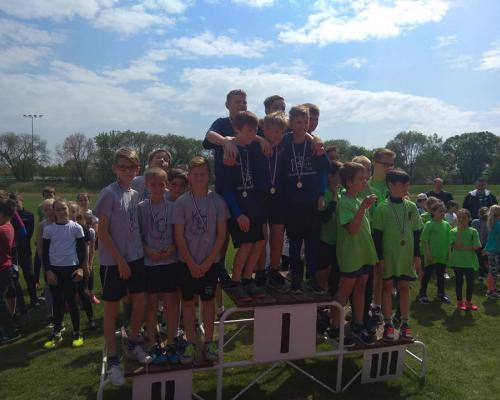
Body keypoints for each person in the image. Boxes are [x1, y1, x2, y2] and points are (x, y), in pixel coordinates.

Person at [95, 148, 152, 386]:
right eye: (122, 167)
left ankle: (132, 342)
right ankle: (113, 359)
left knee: (141, 302)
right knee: (112, 311)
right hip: (113, 261)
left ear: (137, 169)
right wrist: (120, 260)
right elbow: (102, 232)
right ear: (115, 168)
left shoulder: (135, 193)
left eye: (131, 167)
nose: (127, 171)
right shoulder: (109, 193)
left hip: (135, 257)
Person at [173, 156, 228, 363]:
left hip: (209, 263)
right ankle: (190, 343)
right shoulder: (182, 202)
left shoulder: (218, 201)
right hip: (186, 263)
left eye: (203, 174)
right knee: (188, 303)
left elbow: (221, 235)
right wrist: (191, 263)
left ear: (209, 176)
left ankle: (209, 342)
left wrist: (207, 263)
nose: (199, 178)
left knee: (208, 303)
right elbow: (179, 236)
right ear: (189, 176)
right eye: (195, 174)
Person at [281, 105, 329, 294]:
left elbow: (323, 169)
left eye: (305, 122)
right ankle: (296, 280)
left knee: (312, 244)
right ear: (291, 123)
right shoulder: (285, 142)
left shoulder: (314, 145)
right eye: (298, 122)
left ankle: (312, 279)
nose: (302, 126)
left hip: (311, 201)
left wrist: (321, 194)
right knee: (294, 244)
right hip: (292, 202)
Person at [329, 162, 378, 346]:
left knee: (361, 288)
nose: (365, 182)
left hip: (364, 253)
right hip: (351, 255)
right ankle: (335, 327)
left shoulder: (358, 200)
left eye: (366, 178)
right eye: (361, 179)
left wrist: (363, 206)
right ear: (349, 182)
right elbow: (351, 229)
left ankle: (358, 323)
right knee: (344, 290)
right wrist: (363, 208)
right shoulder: (345, 203)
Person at [220, 111, 266, 301]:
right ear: (237, 129)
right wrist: (238, 214)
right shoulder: (229, 150)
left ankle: (248, 279)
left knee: (259, 242)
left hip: (254, 206)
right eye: (249, 130)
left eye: (255, 130)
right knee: (246, 244)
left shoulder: (253, 148)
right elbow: (226, 188)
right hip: (238, 208)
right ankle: (236, 281)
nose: (253, 134)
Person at [372, 169, 422, 342]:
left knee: (404, 287)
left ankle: (405, 323)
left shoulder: (411, 207)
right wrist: (380, 258)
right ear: (391, 185)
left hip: (406, 256)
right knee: (387, 288)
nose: (406, 187)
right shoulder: (382, 208)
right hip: (389, 256)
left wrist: (417, 255)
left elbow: (417, 232)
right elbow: (377, 236)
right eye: (403, 184)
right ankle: (388, 324)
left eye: (408, 184)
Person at [137, 168, 180, 364]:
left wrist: (173, 247)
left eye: (161, 185)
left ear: (166, 186)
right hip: (150, 262)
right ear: (146, 185)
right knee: (152, 305)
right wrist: (147, 250)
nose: (157, 188)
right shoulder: (141, 208)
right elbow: (137, 235)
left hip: (170, 261)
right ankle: (153, 341)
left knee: (171, 303)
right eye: (153, 185)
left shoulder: (172, 207)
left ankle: (171, 341)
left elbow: (178, 232)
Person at [42, 198, 86, 349]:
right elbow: (45, 253)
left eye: (63, 208)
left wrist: (81, 269)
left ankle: (77, 333)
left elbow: (82, 251)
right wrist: (48, 271)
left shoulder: (76, 228)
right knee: (57, 302)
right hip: (55, 271)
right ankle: (57, 332)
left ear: (68, 209)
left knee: (72, 302)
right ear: (54, 212)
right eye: (58, 209)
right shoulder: (49, 229)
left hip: (71, 270)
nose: (61, 212)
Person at [254, 112, 289, 292]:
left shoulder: (284, 148)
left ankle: (274, 270)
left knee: (277, 235)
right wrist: (259, 140)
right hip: (260, 196)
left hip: (279, 197)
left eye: (281, 132)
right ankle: (260, 270)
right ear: (265, 130)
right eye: (275, 131)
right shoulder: (257, 146)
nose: (278, 135)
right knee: (262, 236)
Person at [68, 201, 95, 330]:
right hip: (67, 264)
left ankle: (91, 318)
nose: (71, 214)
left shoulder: (82, 227)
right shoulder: (62, 227)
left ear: (78, 213)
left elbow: (87, 247)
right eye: (69, 211)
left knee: (83, 292)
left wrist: (86, 264)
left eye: (74, 211)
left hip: (80, 264)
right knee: (69, 293)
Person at [417, 201, 451, 304]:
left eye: (443, 211)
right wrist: (428, 254)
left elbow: (449, 241)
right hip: (431, 256)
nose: (442, 213)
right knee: (427, 275)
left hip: (442, 255)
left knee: (440, 275)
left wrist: (448, 253)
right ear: (433, 212)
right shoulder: (429, 224)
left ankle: (441, 294)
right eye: (440, 211)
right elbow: (425, 240)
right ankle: (422, 294)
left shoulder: (446, 225)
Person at [317, 161, 342, 294]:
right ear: (330, 177)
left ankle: (330, 298)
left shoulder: (342, 193)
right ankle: (321, 294)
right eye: (339, 175)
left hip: (337, 240)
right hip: (324, 239)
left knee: (334, 273)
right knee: (323, 269)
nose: (342, 177)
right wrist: (333, 200)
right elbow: (324, 218)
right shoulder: (323, 193)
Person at [449, 209, 481, 310]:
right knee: (459, 282)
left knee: (470, 282)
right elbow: (456, 246)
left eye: (464, 217)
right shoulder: (453, 231)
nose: (461, 219)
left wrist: (463, 248)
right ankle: (459, 302)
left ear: (469, 218)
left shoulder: (473, 231)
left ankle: (468, 302)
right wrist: (459, 231)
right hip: (457, 262)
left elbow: (477, 246)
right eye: (459, 217)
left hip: (470, 262)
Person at [12, 193, 39, 308]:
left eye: (17, 202)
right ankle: (18, 302)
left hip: (25, 251)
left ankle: (34, 299)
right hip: (12, 252)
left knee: (29, 275)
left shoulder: (29, 215)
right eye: (12, 203)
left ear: (22, 201)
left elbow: (27, 234)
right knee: (14, 277)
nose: (15, 204)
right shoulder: (9, 215)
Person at [0, 197, 21, 345]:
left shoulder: (2, 229)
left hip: (2, 269)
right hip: (5, 268)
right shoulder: (9, 226)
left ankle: (11, 331)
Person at [36, 198, 55, 327]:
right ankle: (50, 314)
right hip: (48, 261)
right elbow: (39, 245)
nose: (48, 212)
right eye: (46, 209)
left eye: (50, 208)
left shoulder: (62, 222)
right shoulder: (42, 225)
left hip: (62, 260)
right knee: (49, 287)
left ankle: (62, 309)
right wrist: (44, 260)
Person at [485, 205, 500, 298]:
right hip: (494, 250)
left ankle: (493, 288)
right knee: (493, 271)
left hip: (492, 250)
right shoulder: (497, 224)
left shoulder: (493, 222)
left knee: (493, 270)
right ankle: (490, 291)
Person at [472, 207, 490, 281]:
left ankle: (482, 274)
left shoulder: (475, 221)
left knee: (479, 260)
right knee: (484, 259)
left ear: (479, 214)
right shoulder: (488, 224)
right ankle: (484, 274)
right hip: (484, 245)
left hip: (476, 244)